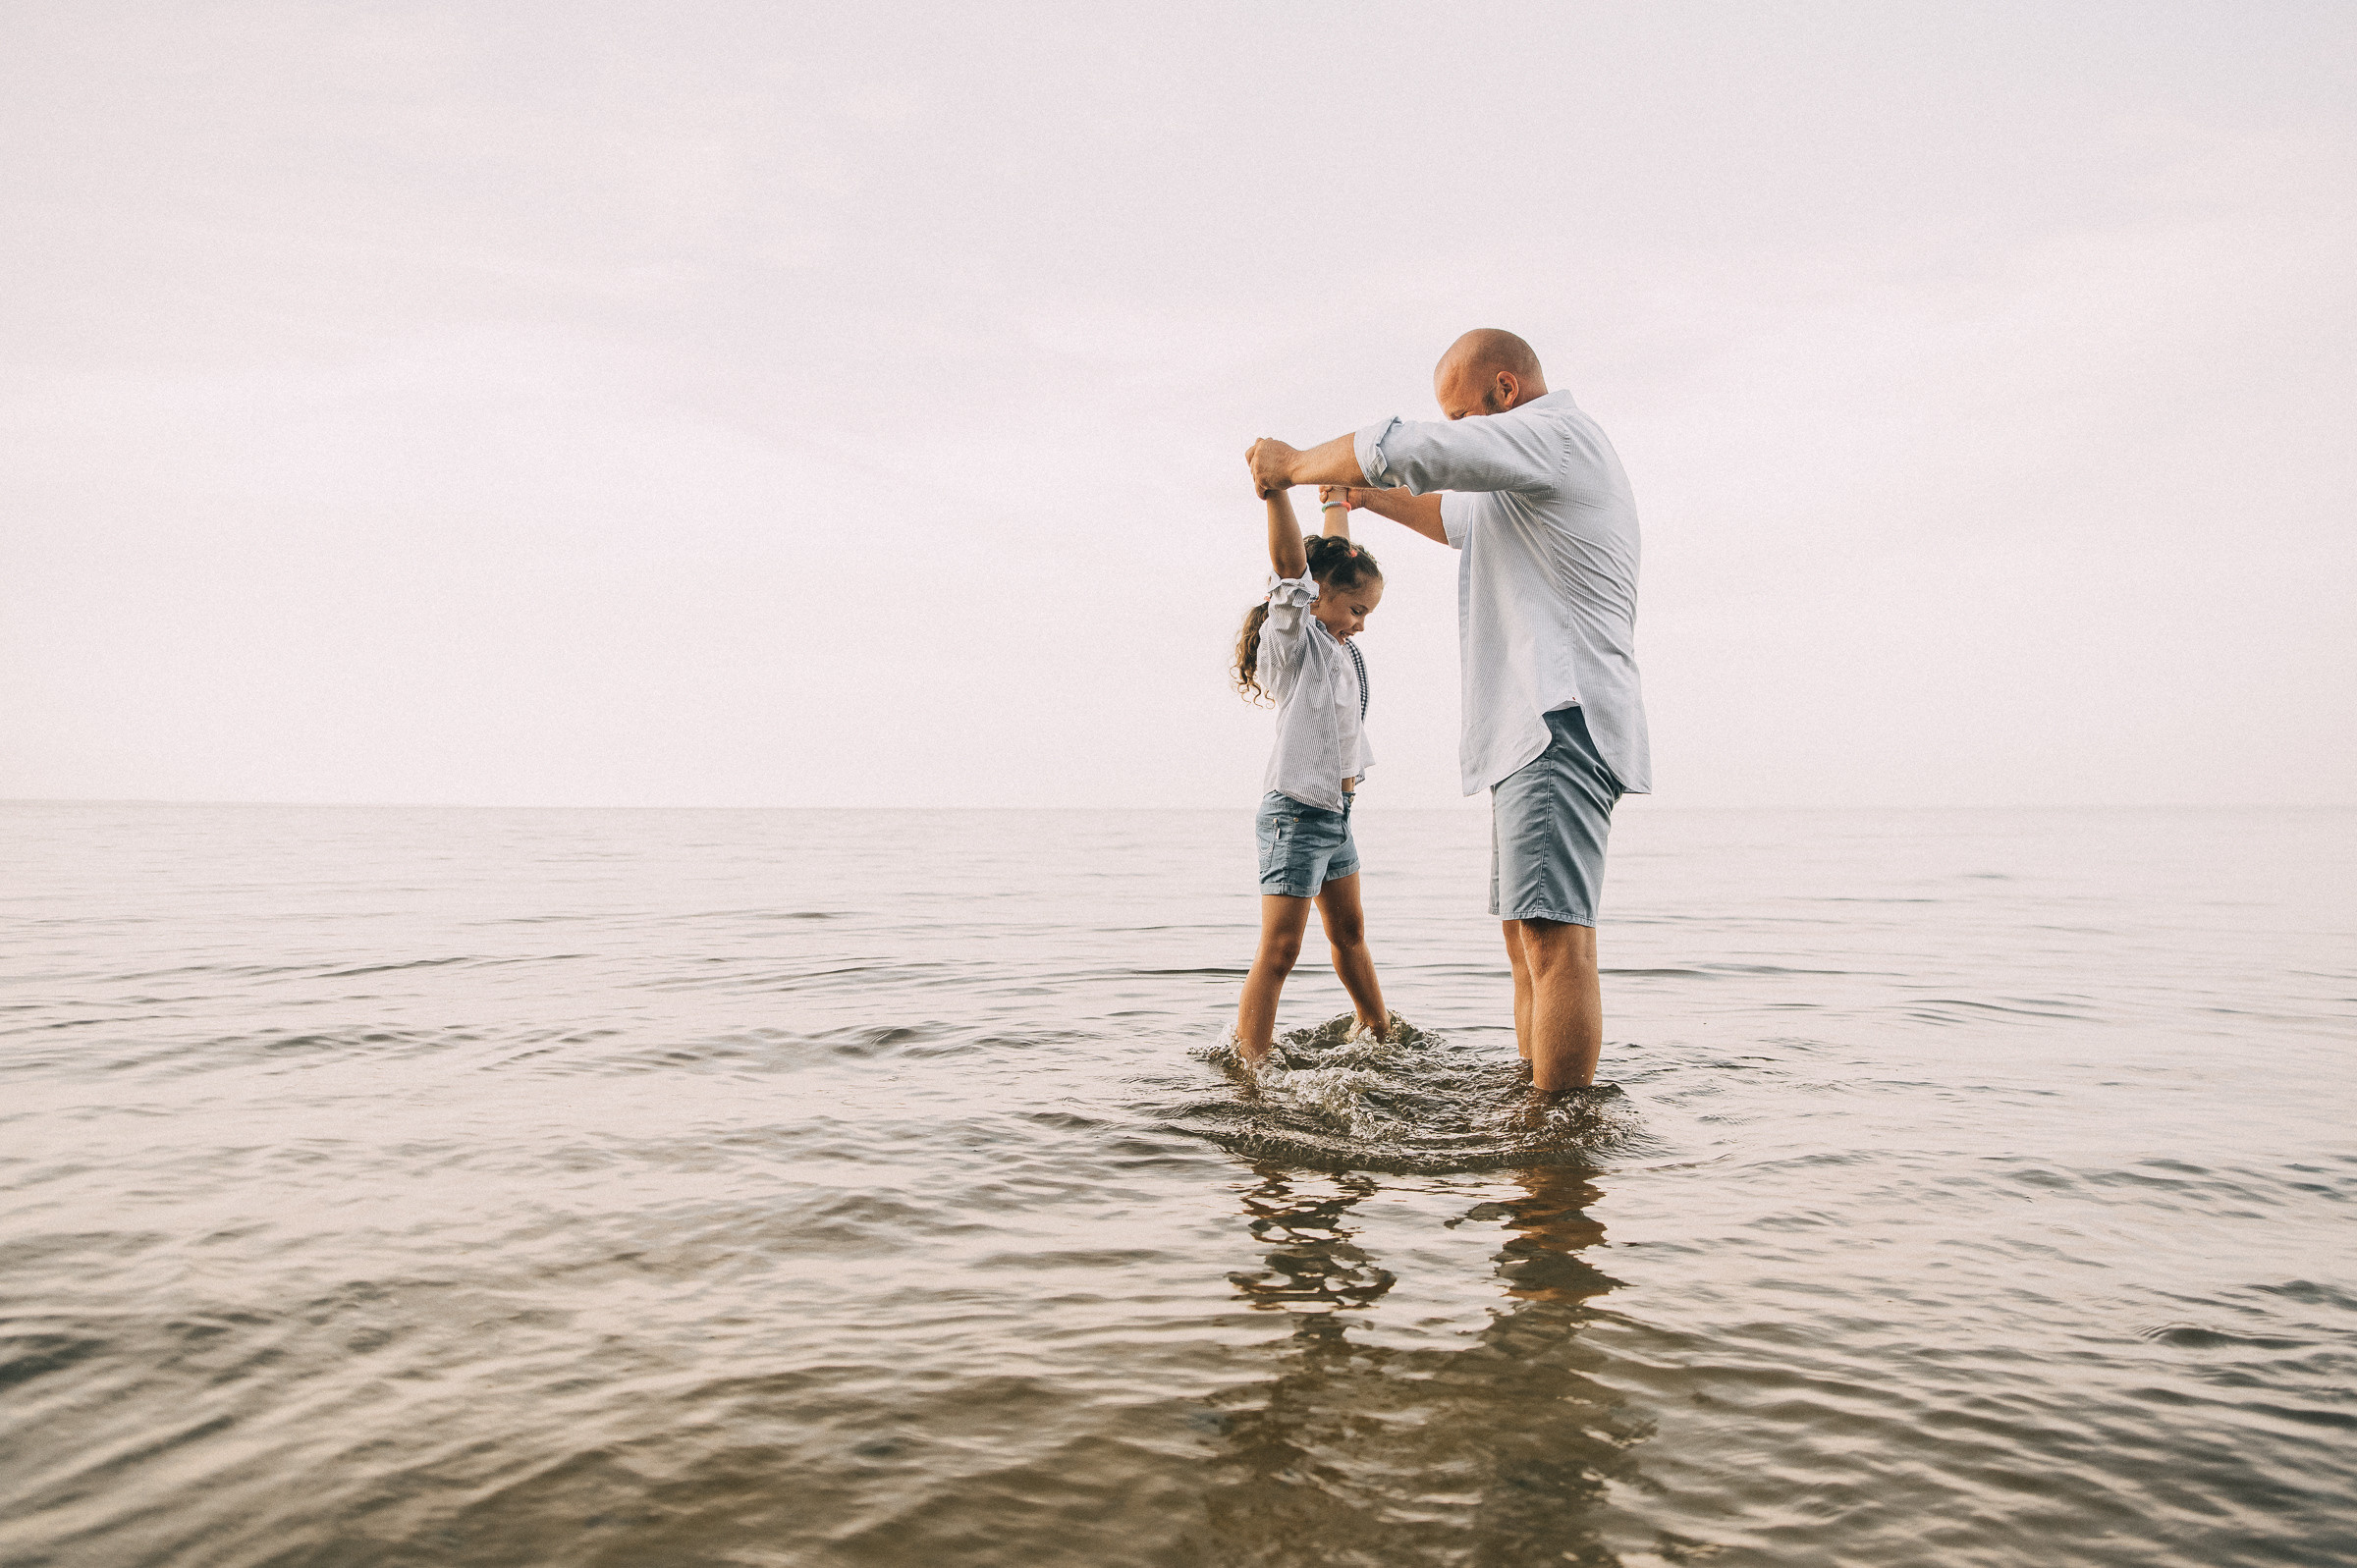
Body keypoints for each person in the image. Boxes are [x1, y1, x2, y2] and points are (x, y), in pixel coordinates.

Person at [1243, 328, 1650, 1094]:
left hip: (1558, 718)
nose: (1459, 433)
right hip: (1535, 730)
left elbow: (1411, 449)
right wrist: (1359, 499)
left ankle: (1556, 1151)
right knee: (1528, 937)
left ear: (1505, 390)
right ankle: (1539, 1117)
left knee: (1555, 941)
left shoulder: (1552, 436)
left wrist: (1294, 467)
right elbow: (1448, 515)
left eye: (1462, 416)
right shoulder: (1529, 475)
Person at [1229, 482, 1390, 1065]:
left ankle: (1379, 1030)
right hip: (1295, 813)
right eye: (1356, 610)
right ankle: (1250, 1066)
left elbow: (1330, 555)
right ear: (1316, 598)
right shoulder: (1297, 640)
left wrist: (1337, 503)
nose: (1361, 625)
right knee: (1281, 949)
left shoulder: (1337, 636)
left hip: (1337, 817)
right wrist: (1275, 493)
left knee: (1350, 936)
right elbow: (1295, 570)